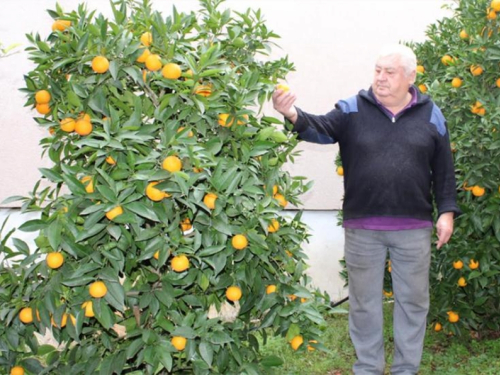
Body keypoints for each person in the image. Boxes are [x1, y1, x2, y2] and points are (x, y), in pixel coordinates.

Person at [272, 44, 460, 375]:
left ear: (411, 77)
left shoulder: (432, 114)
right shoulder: (352, 109)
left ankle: (405, 369)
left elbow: (444, 168)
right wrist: (291, 114)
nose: (381, 78)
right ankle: (369, 368)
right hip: (363, 228)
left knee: (413, 303)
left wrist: (446, 212)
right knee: (364, 305)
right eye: (377, 70)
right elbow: (319, 128)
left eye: (390, 72)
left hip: (413, 228)